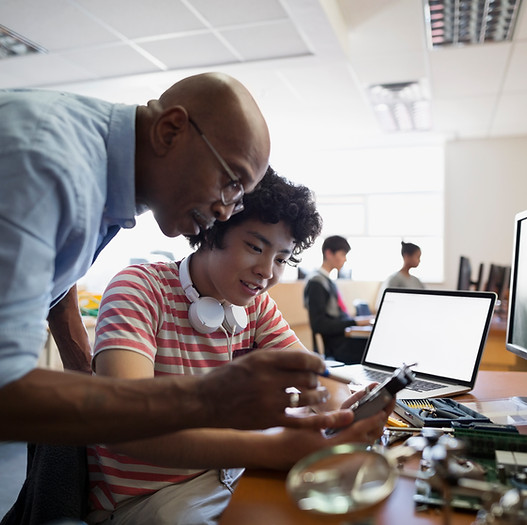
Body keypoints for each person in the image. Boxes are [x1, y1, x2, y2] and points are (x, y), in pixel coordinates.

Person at [0, 72, 351, 447]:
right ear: (170, 131)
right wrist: (209, 399)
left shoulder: (100, 185)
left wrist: (80, 365)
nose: (224, 212)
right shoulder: (48, 166)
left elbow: (57, 264)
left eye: (239, 197)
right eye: (231, 183)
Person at [85, 169, 393, 525]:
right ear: (213, 230)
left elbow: (314, 376)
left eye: (281, 258)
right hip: (149, 499)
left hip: (231, 474)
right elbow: (127, 428)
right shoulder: (139, 289)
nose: (266, 271)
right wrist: (272, 450)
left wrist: (347, 409)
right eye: (255, 247)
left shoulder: (255, 306)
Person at [303, 236, 372, 364]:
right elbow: (319, 324)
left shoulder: (328, 281)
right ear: (329, 253)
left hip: (343, 339)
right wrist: (355, 322)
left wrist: (356, 322)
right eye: (343, 254)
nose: (345, 259)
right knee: (373, 346)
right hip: (338, 347)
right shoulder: (316, 283)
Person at [376, 241, 425, 309]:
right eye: (417, 257)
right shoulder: (394, 279)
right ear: (406, 256)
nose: (419, 260)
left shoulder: (416, 280)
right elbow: (382, 305)